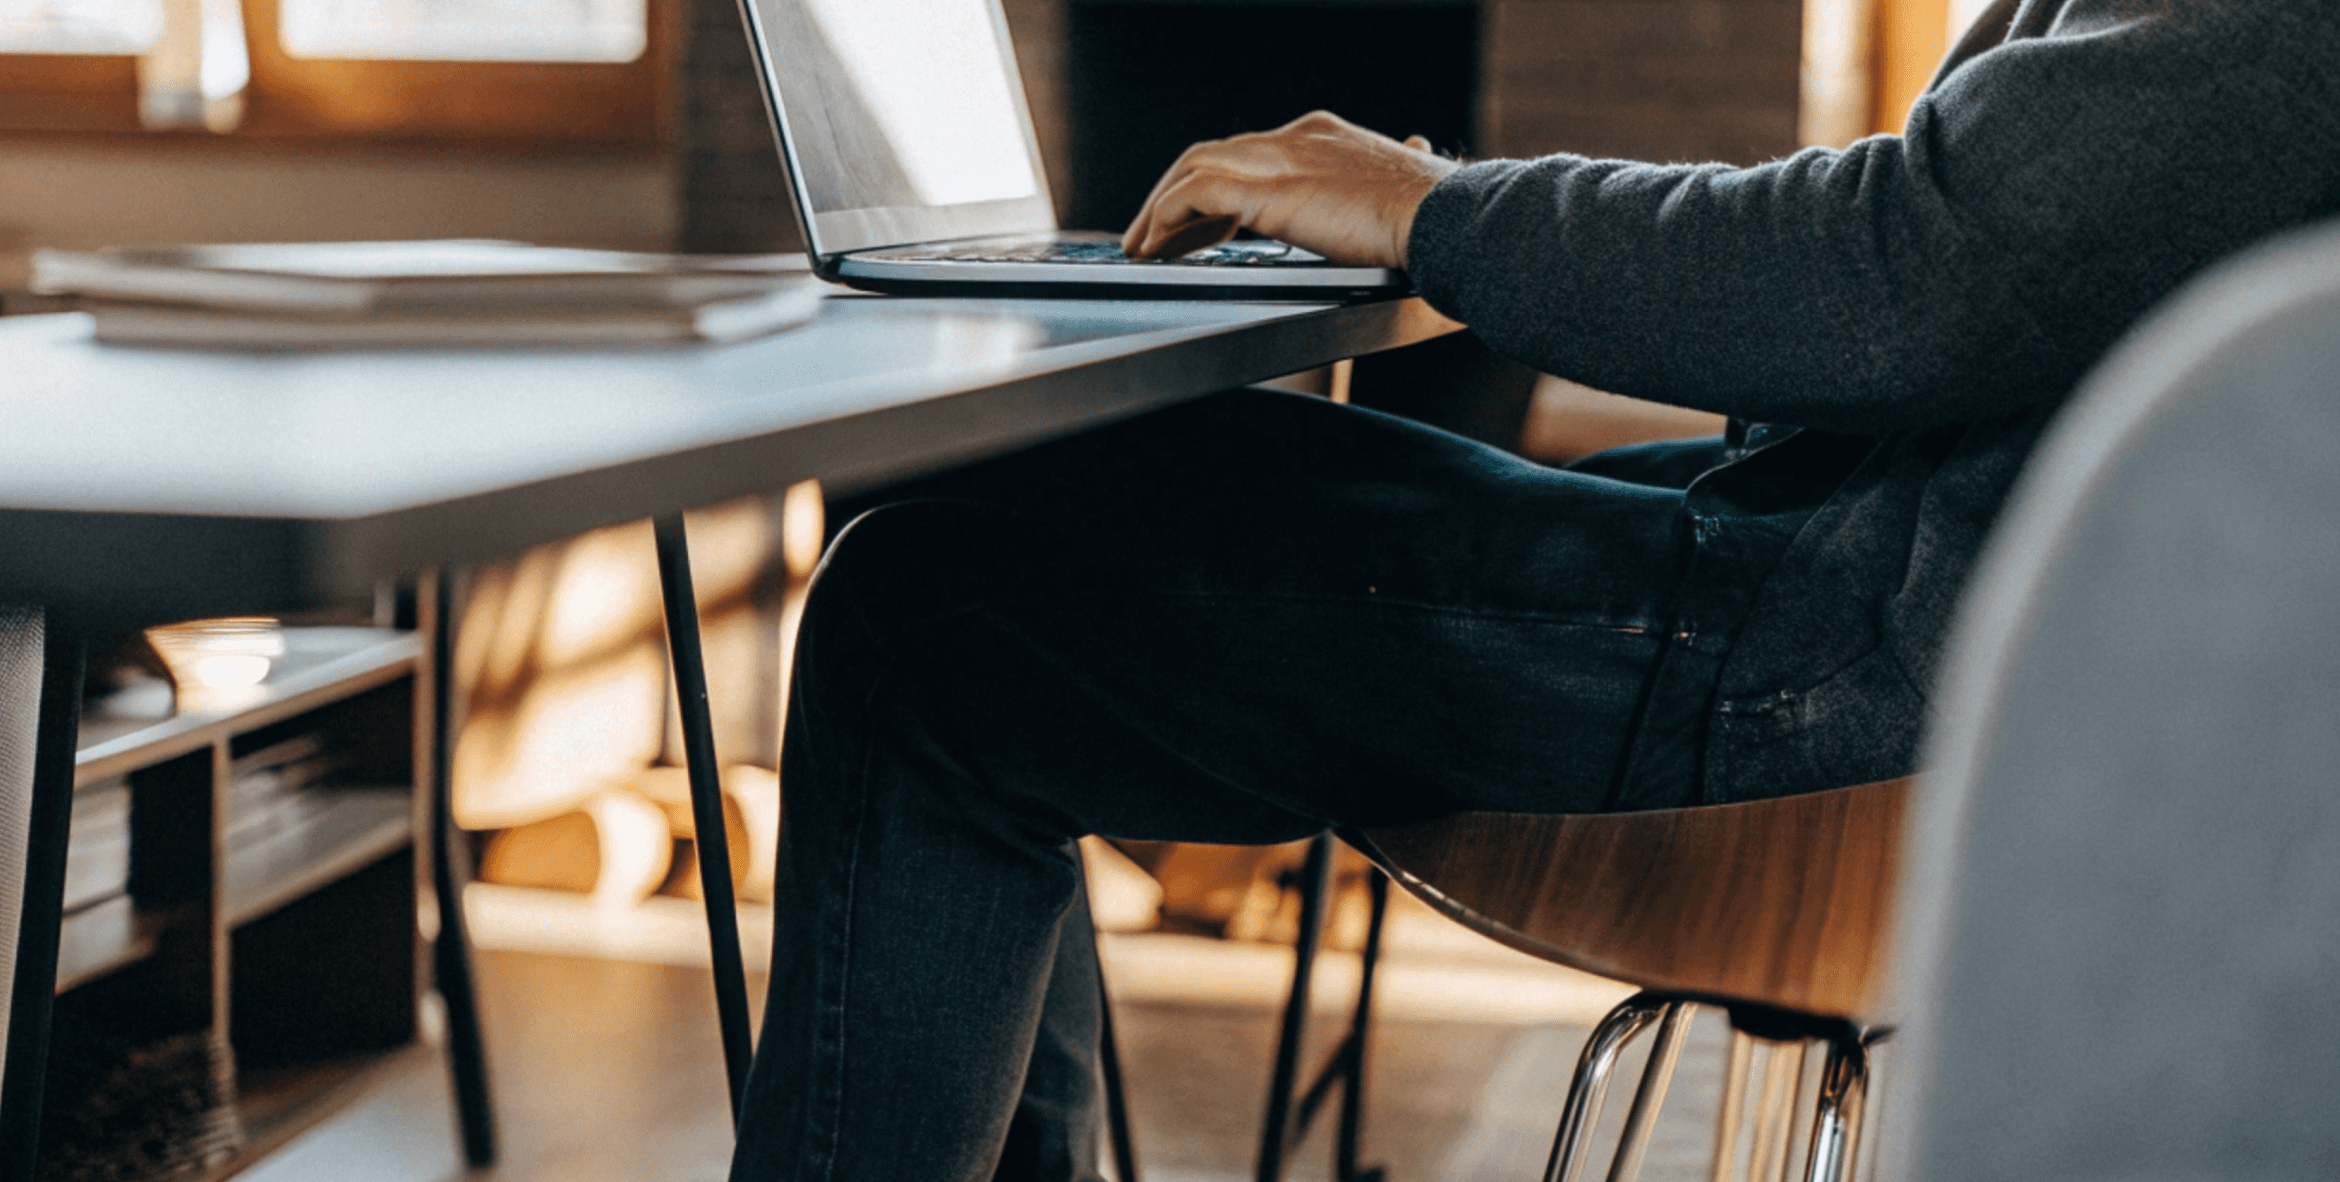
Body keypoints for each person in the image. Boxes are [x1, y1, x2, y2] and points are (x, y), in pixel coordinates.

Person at [729, 0, 2340, 1178]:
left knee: (920, 624)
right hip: (1889, 631)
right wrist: (1438, 210)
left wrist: (1435, 210)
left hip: (1838, 694)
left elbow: (1902, 267)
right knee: (1003, 520)